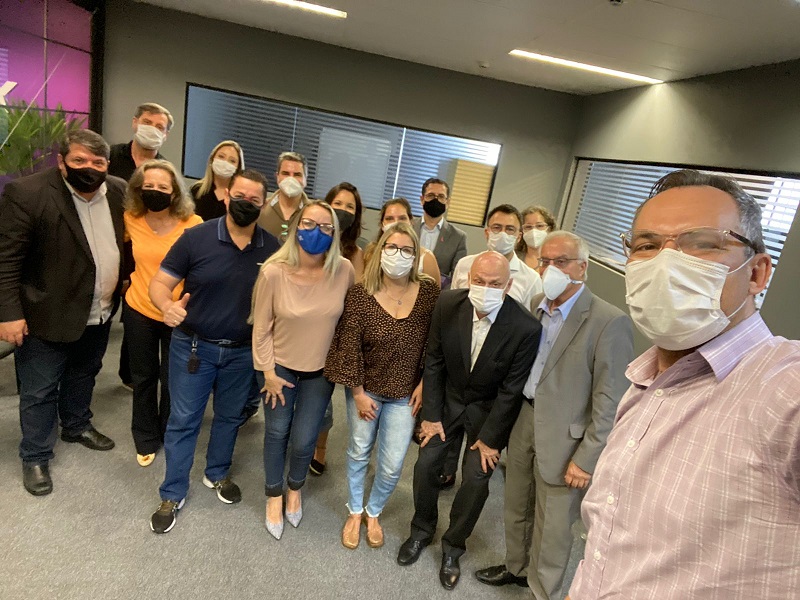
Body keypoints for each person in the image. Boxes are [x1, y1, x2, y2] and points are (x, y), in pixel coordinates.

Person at [567, 169, 799, 600]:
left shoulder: (783, 388)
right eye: (647, 245)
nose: (666, 263)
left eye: (703, 243)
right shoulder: (644, 382)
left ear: (756, 273)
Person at [475, 231, 633, 599]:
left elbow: (611, 401)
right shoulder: (535, 304)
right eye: (544, 261)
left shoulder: (608, 321)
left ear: (583, 268)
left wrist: (587, 458)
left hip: (567, 439)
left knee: (554, 525)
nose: (550, 269)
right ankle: (516, 568)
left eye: (561, 262)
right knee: (516, 504)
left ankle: (541, 591)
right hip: (524, 419)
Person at [396, 252, 542, 591]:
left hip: (488, 413)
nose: (485, 288)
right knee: (425, 465)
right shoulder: (448, 304)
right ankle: (421, 530)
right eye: (479, 281)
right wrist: (431, 416)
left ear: (508, 285)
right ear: (468, 279)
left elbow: (511, 390)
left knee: (476, 480)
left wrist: (491, 439)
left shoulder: (525, 327)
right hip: (446, 403)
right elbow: (434, 361)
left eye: (494, 283)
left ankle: (453, 547)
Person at [147, 169, 279, 534]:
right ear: (226, 195)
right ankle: (173, 493)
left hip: (242, 353)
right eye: (239, 196)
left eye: (254, 199)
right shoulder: (196, 238)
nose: (245, 203)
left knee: (229, 417)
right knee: (184, 420)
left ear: (263, 204)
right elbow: (160, 283)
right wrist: (166, 306)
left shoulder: (273, 250)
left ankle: (217, 473)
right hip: (193, 348)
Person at [0, 129, 126, 496]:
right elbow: (6, 260)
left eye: (98, 162)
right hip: (46, 312)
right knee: (39, 390)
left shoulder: (118, 191)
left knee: (84, 373)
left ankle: (76, 425)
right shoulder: (27, 193)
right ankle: (35, 455)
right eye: (79, 160)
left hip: (98, 309)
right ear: (61, 161)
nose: (90, 168)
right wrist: (8, 313)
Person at [325, 222, 439, 549]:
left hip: (405, 394)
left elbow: (435, 343)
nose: (398, 255)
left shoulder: (429, 293)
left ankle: (373, 512)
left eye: (406, 250)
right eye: (392, 247)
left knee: (391, 465)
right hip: (366, 389)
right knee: (359, 450)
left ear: (416, 255)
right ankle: (355, 510)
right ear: (380, 250)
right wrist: (358, 393)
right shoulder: (361, 293)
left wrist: (424, 383)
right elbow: (348, 345)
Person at [252, 201, 355, 540]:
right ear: (296, 227)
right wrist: (268, 372)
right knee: (277, 431)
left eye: (325, 227)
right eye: (309, 224)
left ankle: (295, 487)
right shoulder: (273, 272)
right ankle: (273, 494)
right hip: (278, 368)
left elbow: (349, 323)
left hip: (320, 371)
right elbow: (261, 328)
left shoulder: (344, 271)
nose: (316, 232)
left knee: (304, 439)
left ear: (335, 233)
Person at [441, 204, 543, 488]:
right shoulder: (466, 264)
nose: (502, 234)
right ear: (486, 232)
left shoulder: (530, 279)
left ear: (519, 235)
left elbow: (530, 322)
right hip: (463, 353)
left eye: (510, 229)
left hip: (496, 366)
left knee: (478, 437)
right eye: (497, 228)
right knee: (451, 424)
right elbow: (453, 308)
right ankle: (446, 470)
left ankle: (471, 475)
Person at [123, 159, 202, 467]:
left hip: (177, 313)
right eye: (149, 186)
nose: (155, 191)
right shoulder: (130, 218)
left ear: (175, 192)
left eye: (162, 187)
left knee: (173, 380)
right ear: (138, 189)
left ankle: (170, 431)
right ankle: (144, 437)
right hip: (139, 308)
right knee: (143, 377)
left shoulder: (193, 223)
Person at [108, 101, 173, 391]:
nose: (153, 130)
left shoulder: (165, 169)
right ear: (135, 122)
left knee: (136, 315)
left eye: (160, 127)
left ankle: (130, 375)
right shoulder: (110, 157)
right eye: (148, 122)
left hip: (144, 255)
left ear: (166, 135)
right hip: (109, 248)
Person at [310, 182, 366, 476]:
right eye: (338, 204)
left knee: (322, 403)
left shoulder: (356, 253)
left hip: (337, 335)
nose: (343, 210)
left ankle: (319, 448)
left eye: (350, 207)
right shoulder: (310, 241)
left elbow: (358, 297)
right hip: (307, 330)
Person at [366, 198, 441, 286]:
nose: (396, 223)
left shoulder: (426, 258)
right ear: (382, 224)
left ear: (411, 222)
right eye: (389, 218)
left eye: (402, 218)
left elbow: (435, 292)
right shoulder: (370, 253)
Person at [412, 177, 467, 288]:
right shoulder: (408, 228)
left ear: (447, 202)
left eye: (441, 196)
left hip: (438, 293)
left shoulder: (458, 237)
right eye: (431, 195)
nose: (435, 200)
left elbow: (457, 276)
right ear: (422, 199)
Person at [257, 151, 310, 243]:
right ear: (277, 177)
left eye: (297, 175)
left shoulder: (313, 212)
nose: (291, 179)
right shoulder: (260, 208)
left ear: (305, 179)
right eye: (285, 173)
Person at [191, 140, 245, 221]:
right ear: (212, 159)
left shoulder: (239, 199)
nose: (225, 162)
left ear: (238, 168)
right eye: (221, 156)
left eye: (232, 161)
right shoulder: (196, 190)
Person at [516, 205, 556, 270]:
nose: (534, 231)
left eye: (539, 226)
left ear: (549, 229)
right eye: (528, 227)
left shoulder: (557, 262)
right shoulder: (514, 258)